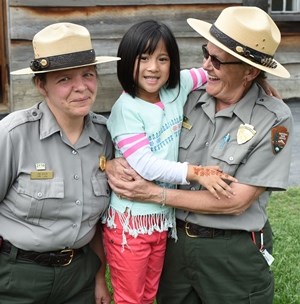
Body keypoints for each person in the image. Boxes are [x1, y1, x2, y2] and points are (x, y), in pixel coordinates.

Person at [105, 6, 294, 304]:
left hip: (231, 255)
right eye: (206, 53)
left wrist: (154, 194)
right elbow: (127, 122)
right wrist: (111, 162)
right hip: (173, 247)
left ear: (250, 71)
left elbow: (236, 201)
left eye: (217, 61)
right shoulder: (184, 95)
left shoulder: (273, 118)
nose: (206, 65)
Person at [102, 20, 238, 304]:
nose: (153, 67)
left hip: (160, 220)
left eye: (162, 59)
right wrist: (197, 173)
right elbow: (145, 165)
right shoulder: (126, 109)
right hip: (131, 222)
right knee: (131, 298)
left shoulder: (175, 89)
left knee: (150, 293)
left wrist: (260, 82)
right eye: (144, 58)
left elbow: (212, 74)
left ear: (172, 63)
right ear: (128, 62)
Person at [0, 22, 120, 304]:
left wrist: (98, 277)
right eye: (64, 79)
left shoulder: (106, 136)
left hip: (79, 278)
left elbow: (96, 223)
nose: (81, 88)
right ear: (41, 85)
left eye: (88, 75)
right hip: (17, 278)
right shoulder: (13, 135)